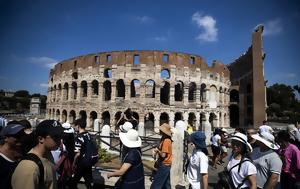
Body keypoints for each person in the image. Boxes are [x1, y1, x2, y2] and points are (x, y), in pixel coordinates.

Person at [12, 119, 64, 189]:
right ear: (41, 139)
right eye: (56, 137)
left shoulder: (48, 155)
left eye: (61, 136)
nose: (59, 140)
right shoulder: (29, 166)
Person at [0, 122, 26, 189]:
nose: (21, 137)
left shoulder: (22, 151)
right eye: (17, 135)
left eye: (22, 134)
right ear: (6, 138)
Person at [70, 119, 94, 189]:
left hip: (81, 162)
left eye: (75, 126)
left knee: (73, 182)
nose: (74, 127)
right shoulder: (88, 134)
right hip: (88, 161)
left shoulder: (79, 137)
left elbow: (77, 154)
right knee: (88, 181)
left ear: (78, 126)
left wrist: (73, 163)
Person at [150, 123, 173, 189]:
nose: (159, 130)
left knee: (156, 185)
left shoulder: (166, 140)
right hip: (166, 164)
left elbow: (163, 155)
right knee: (166, 185)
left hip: (165, 164)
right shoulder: (164, 139)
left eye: (161, 130)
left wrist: (157, 151)